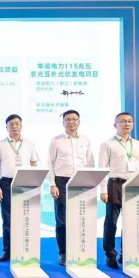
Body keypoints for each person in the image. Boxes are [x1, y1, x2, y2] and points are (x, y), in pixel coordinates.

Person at [98, 112, 139, 268]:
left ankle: (127, 253)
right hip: (115, 184)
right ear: (115, 125)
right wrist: (103, 190)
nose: (127, 124)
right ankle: (110, 254)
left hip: (134, 185)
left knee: (132, 222)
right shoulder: (107, 144)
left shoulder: (138, 144)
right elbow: (102, 169)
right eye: (123, 121)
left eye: (130, 121)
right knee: (111, 222)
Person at [47, 110, 95, 265]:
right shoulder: (56, 140)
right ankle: (64, 253)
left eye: (74, 119)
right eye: (68, 119)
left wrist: (90, 183)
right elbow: (50, 163)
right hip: (61, 181)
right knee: (62, 220)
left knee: (80, 218)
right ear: (63, 122)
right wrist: (52, 184)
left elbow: (90, 163)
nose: (71, 122)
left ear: (79, 122)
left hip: (81, 181)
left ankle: (79, 250)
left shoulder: (86, 140)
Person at [0, 114, 39, 262]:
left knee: (25, 218)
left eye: (17, 123)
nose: (14, 126)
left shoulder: (29, 144)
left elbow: (34, 164)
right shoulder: (0, 145)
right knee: (8, 219)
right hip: (6, 184)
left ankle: (23, 250)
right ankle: (7, 250)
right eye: (11, 124)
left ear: (21, 126)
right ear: (6, 127)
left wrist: (34, 183)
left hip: (25, 183)